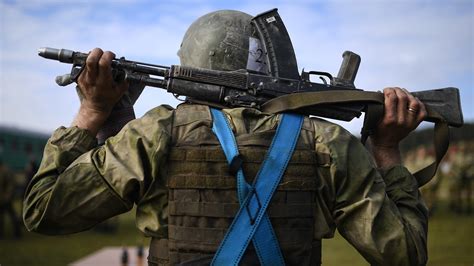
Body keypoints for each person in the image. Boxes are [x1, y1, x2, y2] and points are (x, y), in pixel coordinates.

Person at [23, 10, 429, 265]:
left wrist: (92, 112)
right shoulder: (330, 143)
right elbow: (405, 255)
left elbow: (44, 211)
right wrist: (387, 149)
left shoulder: (157, 132)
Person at [0, 159, 22, 239]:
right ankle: (1, 234)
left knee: (12, 216)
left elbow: (10, 184)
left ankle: (17, 233)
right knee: (2, 217)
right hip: (2, 198)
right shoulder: (4, 170)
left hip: (5, 199)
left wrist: (8, 195)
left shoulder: (5, 171)